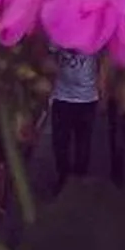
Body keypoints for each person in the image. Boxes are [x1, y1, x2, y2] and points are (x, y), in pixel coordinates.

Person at [50, 46, 99, 180]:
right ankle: (63, 177)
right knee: (60, 142)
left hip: (87, 98)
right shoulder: (58, 33)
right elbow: (50, 57)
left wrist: (103, 91)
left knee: (83, 142)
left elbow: (104, 62)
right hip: (62, 96)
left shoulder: (94, 33)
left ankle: (79, 179)